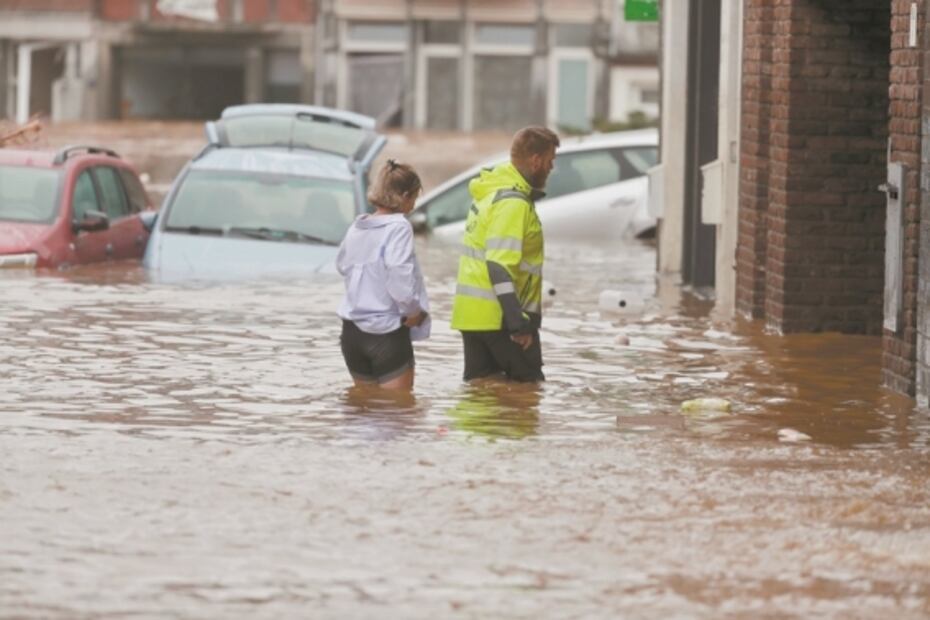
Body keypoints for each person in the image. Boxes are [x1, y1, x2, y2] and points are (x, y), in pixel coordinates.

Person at [450, 126, 560, 382]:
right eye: (550, 161)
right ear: (535, 161)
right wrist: (517, 323)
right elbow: (499, 266)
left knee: (481, 399)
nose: (551, 168)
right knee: (527, 398)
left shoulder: (490, 195)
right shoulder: (513, 203)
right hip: (503, 321)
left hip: (474, 318)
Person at [336, 159, 430, 391]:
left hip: (352, 333)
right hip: (386, 333)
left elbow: (342, 265)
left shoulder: (357, 226)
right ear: (406, 195)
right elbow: (399, 275)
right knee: (397, 417)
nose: (413, 205)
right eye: (414, 198)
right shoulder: (399, 226)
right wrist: (414, 312)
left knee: (365, 411)